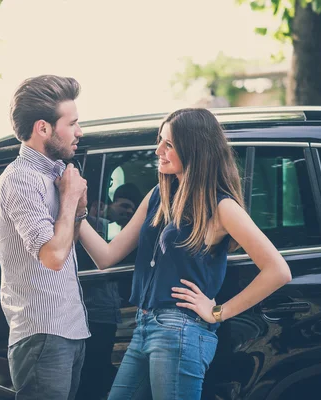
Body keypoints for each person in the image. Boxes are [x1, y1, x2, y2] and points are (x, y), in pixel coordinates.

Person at [78, 108, 292, 399]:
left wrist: (218, 312)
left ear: (194, 150)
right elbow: (106, 256)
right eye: (159, 141)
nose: (158, 151)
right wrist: (73, 211)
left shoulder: (221, 206)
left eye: (168, 144)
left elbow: (278, 271)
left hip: (180, 331)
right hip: (144, 327)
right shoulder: (158, 195)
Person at [0, 75, 90, 400]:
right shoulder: (21, 179)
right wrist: (69, 199)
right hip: (43, 332)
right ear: (43, 128)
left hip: (68, 328)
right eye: (72, 123)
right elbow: (52, 257)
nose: (79, 132)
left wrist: (77, 210)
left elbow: (64, 246)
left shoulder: (54, 174)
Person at [76, 183, 143, 400]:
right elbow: (103, 257)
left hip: (107, 312)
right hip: (93, 312)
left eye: (133, 210)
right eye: (123, 206)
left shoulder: (126, 231)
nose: (127, 212)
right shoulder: (99, 225)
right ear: (105, 205)